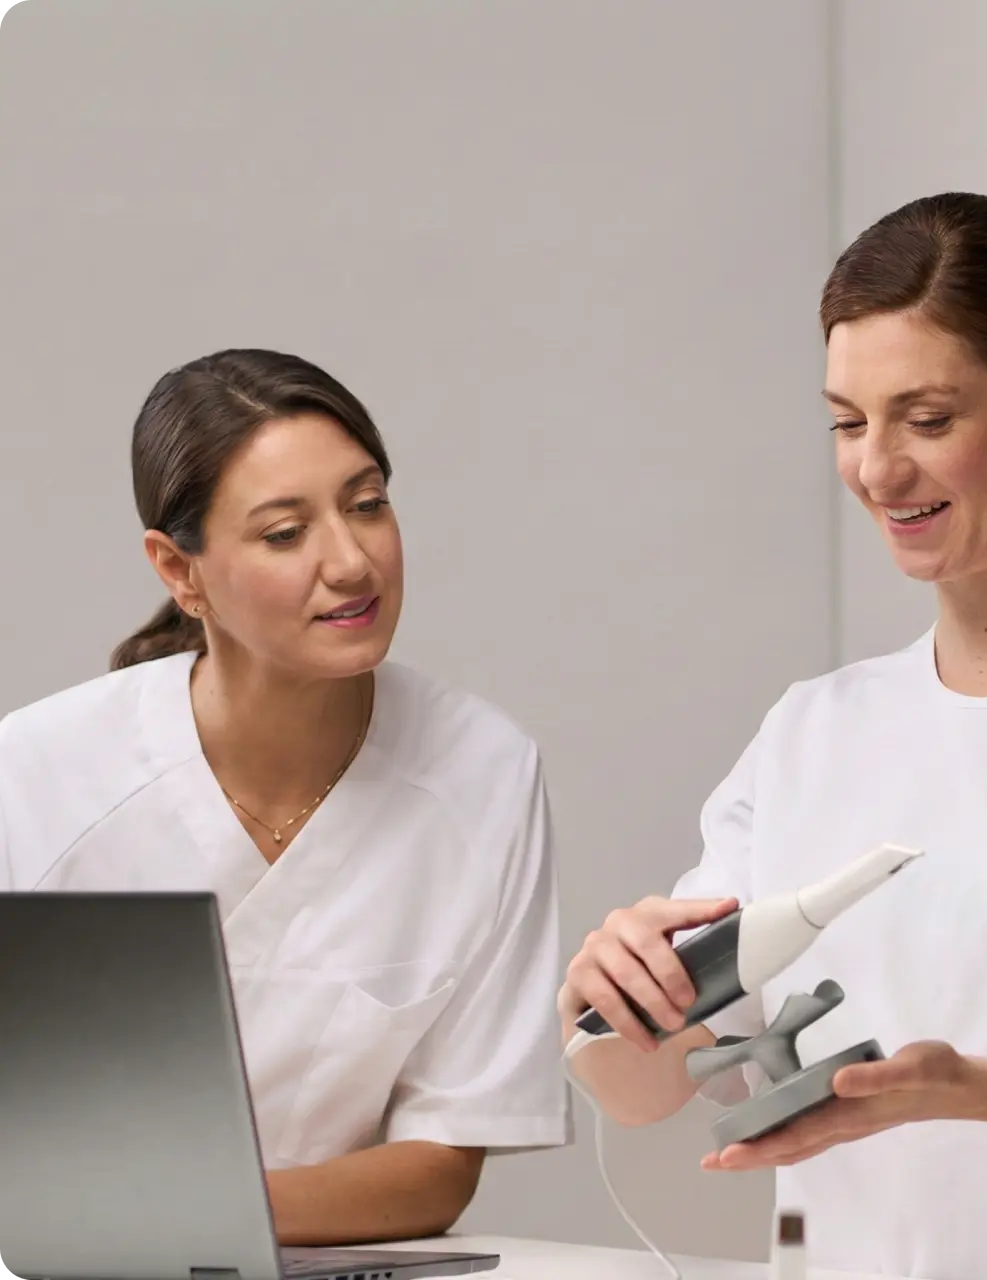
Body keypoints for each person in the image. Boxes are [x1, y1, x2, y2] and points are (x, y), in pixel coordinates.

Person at [559, 193, 987, 1280]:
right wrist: (611, 1000)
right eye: (850, 422)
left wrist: (963, 1089)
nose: (878, 468)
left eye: (930, 419)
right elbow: (653, 1087)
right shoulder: (817, 730)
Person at [0, 348, 569, 1246]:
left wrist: (161, 1215)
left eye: (368, 504)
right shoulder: (35, 777)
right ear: (178, 570)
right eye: (283, 532)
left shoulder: (484, 771)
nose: (350, 562)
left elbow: (441, 1166)